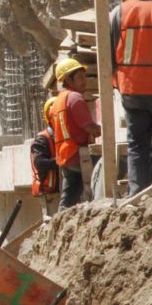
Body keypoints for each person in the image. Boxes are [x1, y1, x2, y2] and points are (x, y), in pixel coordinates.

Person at [111, 0, 152, 197]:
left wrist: (119, 83)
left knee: (137, 146)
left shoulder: (118, 12)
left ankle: (138, 196)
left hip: (131, 91)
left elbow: (110, 51)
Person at [49, 59, 102, 209]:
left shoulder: (58, 101)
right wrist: (100, 130)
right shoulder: (75, 98)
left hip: (66, 155)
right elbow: (87, 126)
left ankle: (58, 225)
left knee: (68, 199)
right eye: (79, 77)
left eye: (84, 77)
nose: (84, 81)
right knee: (118, 163)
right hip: (79, 154)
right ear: (68, 80)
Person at [30, 97, 60, 217]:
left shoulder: (60, 136)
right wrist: (60, 161)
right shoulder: (43, 138)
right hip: (50, 195)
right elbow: (39, 163)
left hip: (59, 191)